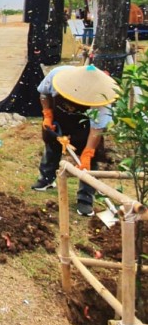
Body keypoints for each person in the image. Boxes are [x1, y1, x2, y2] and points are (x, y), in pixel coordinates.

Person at [31, 64, 117, 217]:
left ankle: (85, 198)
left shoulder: (101, 98)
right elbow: (43, 94)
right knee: (52, 146)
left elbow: (97, 129)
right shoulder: (57, 75)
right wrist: (47, 114)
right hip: (59, 119)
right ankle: (47, 178)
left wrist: (88, 153)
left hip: (84, 128)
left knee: (90, 162)